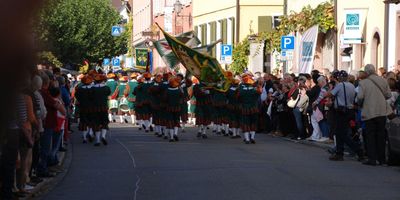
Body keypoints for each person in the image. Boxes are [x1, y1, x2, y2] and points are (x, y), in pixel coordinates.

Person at [357, 64, 392, 165]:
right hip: (381, 112)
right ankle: (382, 159)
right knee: (381, 136)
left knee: (370, 136)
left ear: (366, 72)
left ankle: (372, 159)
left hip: (369, 112)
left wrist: (360, 104)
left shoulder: (363, 83)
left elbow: (360, 97)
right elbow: (389, 95)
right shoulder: (383, 80)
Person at [327, 70, 363, 161]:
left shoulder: (339, 85)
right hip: (350, 111)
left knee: (341, 133)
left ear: (339, 78)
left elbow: (330, 94)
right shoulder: (351, 85)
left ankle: (358, 150)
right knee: (340, 132)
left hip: (342, 111)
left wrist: (330, 88)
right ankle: (339, 152)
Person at [237, 75, 262, 144]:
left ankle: (247, 139)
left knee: (245, 123)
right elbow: (259, 93)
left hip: (245, 107)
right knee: (253, 122)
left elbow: (238, 97)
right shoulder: (255, 87)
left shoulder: (241, 88)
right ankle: (252, 137)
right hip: (254, 107)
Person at [92, 74, 111, 146]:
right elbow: (108, 93)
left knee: (96, 123)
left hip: (95, 108)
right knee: (104, 122)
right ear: (103, 80)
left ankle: (97, 141)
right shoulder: (106, 88)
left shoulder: (92, 88)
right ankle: (103, 136)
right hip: (103, 107)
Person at [164, 77, 184, 142]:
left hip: (169, 108)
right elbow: (182, 97)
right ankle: (175, 134)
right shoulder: (179, 91)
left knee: (170, 122)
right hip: (177, 108)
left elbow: (165, 99)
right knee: (176, 121)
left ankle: (172, 137)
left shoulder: (167, 91)